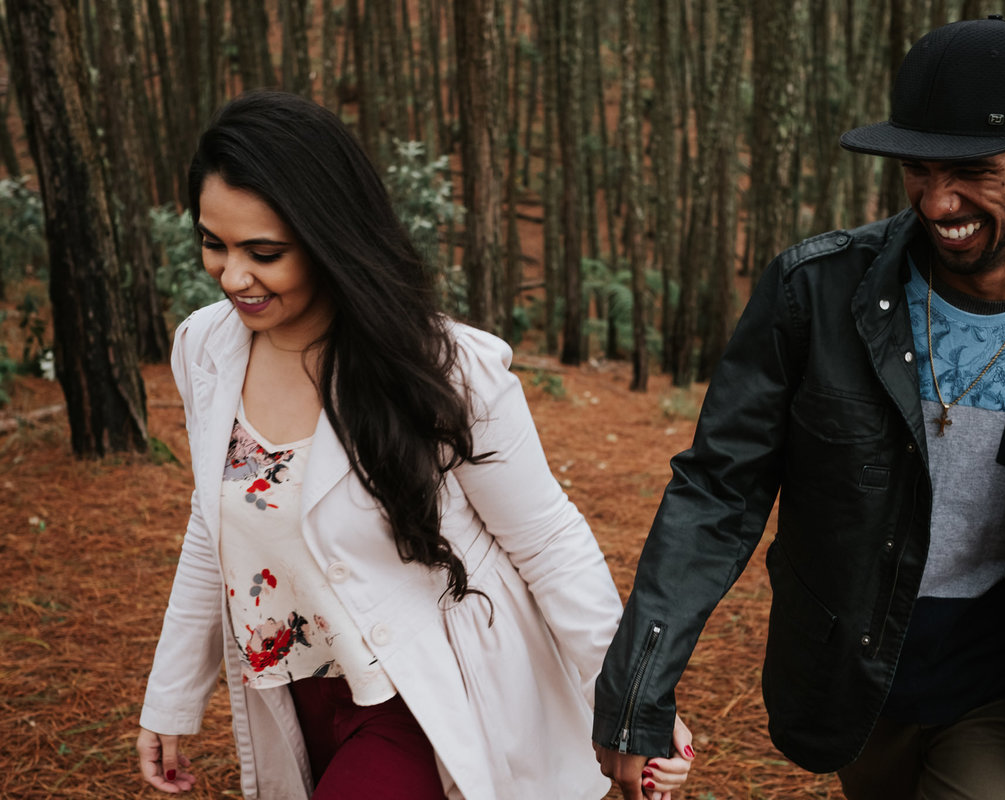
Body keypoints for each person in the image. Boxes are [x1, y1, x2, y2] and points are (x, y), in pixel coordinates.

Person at [593, 16, 1005, 800]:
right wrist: (637, 693)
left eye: (972, 170)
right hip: (851, 679)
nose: (938, 201)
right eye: (917, 168)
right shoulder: (816, 294)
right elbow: (717, 493)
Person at [135, 91, 693, 800]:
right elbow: (210, 524)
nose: (232, 276)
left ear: (330, 237)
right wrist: (171, 698)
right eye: (214, 244)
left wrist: (631, 705)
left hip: (427, 698)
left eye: (264, 253)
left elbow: (549, 541)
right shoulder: (205, 349)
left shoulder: (444, 369)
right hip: (296, 696)